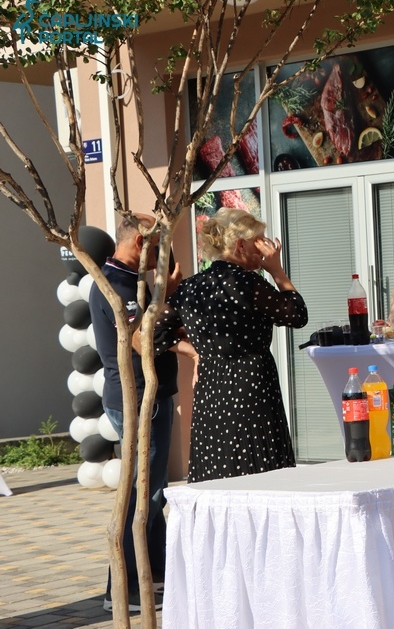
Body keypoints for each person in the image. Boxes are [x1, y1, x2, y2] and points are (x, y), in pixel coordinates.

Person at [154, 208, 308, 483]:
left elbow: (152, 333)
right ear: (240, 245)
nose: (264, 251)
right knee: (259, 466)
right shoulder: (248, 283)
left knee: (218, 466)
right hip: (252, 384)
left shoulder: (190, 288)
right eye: (259, 242)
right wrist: (277, 271)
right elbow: (296, 315)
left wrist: (197, 352)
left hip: (211, 388)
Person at [89, 214, 195, 612]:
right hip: (137, 401)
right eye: (157, 245)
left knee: (152, 491)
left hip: (149, 396)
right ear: (138, 242)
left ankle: (156, 576)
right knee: (142, 495)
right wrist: (169, 302)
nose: (161, 254)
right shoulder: (116, 285)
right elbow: (140, 339)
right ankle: (122, 589)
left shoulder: (131, 280)